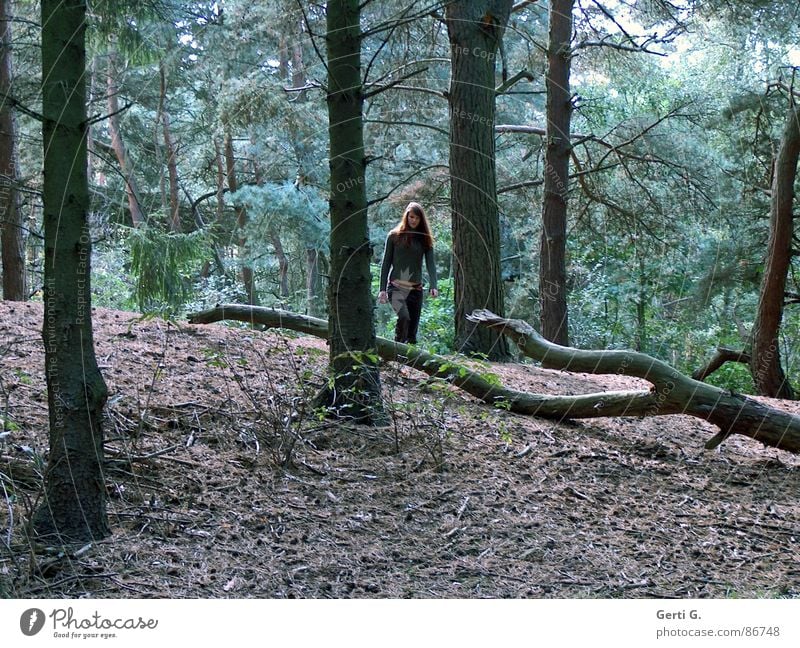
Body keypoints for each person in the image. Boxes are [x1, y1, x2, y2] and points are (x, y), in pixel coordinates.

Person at [378, 202, 438, 344]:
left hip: (416, 290)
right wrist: (382, 289)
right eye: (411, 217)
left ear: (421, 220)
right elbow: (386, 263)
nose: (413, 220)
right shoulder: (393, 236)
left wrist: (433, 285)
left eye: (417, 218)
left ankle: (408, 362)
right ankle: (396, 352)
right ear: (406, 216)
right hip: (396, 287)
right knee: (404, 317)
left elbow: (431, 264)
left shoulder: (425, 239)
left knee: (412, 333)